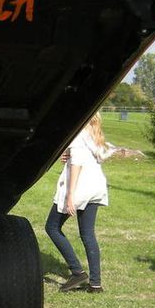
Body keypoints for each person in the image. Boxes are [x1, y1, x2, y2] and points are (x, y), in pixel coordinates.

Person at [46, 112, 111, 293]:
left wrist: (70, 195)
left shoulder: (78, 133)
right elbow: (82, 158)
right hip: (96, 187)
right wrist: (67, 155)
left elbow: (78, 164)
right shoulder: (92, 133)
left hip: (81, 188)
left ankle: (77, 272)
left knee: (52, 227)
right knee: (88, 234)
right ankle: (96, 284)